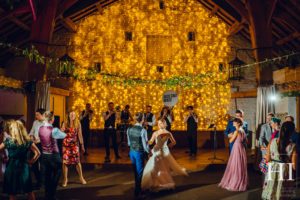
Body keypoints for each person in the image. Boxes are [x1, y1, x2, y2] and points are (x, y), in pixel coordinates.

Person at [142, 120, 188, 192]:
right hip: (156, 151)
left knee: (163, 167)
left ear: (164, 124)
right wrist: (147, 142)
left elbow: (174, 142)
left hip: (164, 151)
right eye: (159, 123)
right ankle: (155, 183)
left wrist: (167, 146)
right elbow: (151, 141)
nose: (160, 124)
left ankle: (163, 182)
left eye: (161, 123)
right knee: (154, 167)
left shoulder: (168, 133)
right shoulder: (155, 133)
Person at [1, 120, 40, 200]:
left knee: (12, 193)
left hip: (11, 168)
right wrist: (31, 161)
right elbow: (38, 153)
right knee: (29, 191)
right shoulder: (27, 141)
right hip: (24, 167)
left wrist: (3, 157)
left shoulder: (8, 141)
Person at [262, 121, 297, 199]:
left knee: (271, 191)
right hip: (285, 171)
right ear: (291, 132)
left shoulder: (272, 141)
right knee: (282, 192)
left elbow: (267, 159)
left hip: (273, 169)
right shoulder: (293, 146)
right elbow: (294, 166)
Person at [39, 111, 66, 200]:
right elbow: (64, 135)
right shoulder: (54, 130)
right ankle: (51, 194)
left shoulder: (40, 128)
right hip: (54, 156)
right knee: (56, 174)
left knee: (47, 176)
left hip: (44, 156)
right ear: (52, 119)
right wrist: (62, 130)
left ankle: (47, 195)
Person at [219, 118, 248, 191]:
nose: (233, 123)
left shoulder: (236, 131)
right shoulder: (243, 130)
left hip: (236, 148)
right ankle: (241, 182)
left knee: (235, 165)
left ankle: (235, 182)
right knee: (240, 165)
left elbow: (230, 141)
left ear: (238, 123)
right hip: (241, 148)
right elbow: (246, 141)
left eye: (235, 122)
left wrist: (230, 135)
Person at [127, 112, 149, 198]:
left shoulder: (129, 129)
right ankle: (137, 193)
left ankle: (138, 189)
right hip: (139, 152)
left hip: (132, 152)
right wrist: (149, 152)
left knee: (136, 172)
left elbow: (129, 143)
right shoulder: (143, 130)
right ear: (142, 120)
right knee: (139, 173)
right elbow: (145, 145)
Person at [62, 111, 87, 187]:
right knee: (65, 162)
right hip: (66, 145)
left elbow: (80, 134)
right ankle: (65, 179)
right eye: (71, 114)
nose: (72, 115)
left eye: (74, 114)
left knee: (77, 162)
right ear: (68, 115)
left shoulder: (78, 123)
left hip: (74, 145)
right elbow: (61, 132)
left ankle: (81, 177)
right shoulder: (65, 123)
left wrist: (82, 145)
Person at [29, 108, 45, 188]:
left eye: (37, 115)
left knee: (42, 165)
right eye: (35, 114)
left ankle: (41, 182)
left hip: (42, 145)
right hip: (34, 145)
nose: (36, 116)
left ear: (42, 115)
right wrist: (31, 138)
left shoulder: (47, 123)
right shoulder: (35, 122)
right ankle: (38, 180)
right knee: (34, 163)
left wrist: (38, 141)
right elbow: (31, 132)